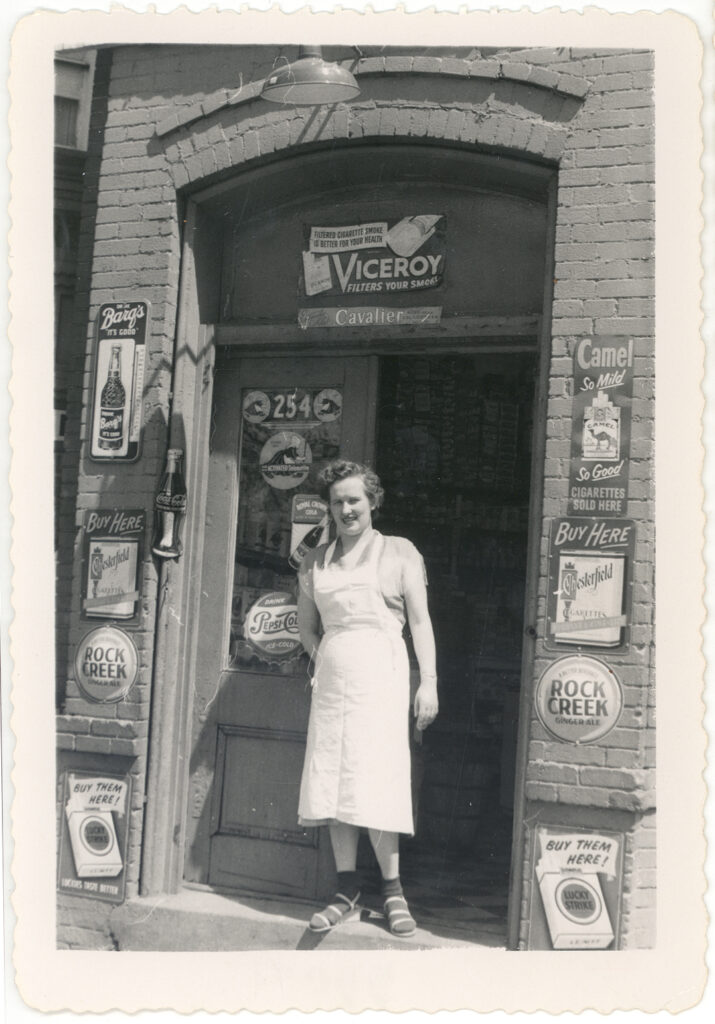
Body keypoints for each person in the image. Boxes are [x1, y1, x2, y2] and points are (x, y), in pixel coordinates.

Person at [296, 459, 438, 937]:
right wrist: (327, 658)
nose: (345, 509)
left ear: (372, 501)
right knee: (335, 778)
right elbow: (306, 628)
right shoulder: (316, 560)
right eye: (337, 502)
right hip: (334, 685)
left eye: (354, 499)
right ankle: (347, 890)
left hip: (383, 677)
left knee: (376, 778)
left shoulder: (399, 553)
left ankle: (392, 891)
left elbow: (419, 622)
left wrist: (429, 682)